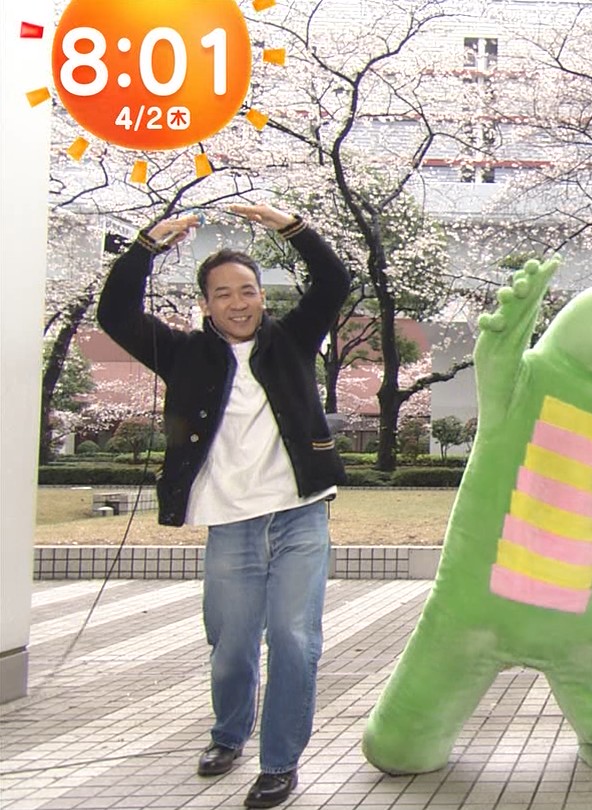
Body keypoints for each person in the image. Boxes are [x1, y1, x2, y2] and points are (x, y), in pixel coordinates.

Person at [97, 204, 350, 808]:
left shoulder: (292, 340)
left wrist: (289, 225)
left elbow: (333, 280)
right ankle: (229, 733)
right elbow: (115, 313)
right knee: (232, 643)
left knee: (294, 637)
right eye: (223, 294)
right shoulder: (182, 353)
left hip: (299, 514)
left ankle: (279, 763)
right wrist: (146, 246)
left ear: (263, 296)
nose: (238, 303)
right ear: (205, 304)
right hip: (230, 524)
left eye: (247, 291)